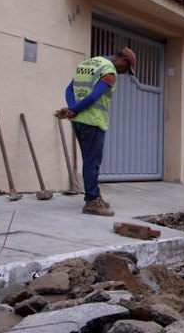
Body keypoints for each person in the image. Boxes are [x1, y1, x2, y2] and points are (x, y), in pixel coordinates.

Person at [54, 47, 136, 217]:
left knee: (88, 160)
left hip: (78, 122)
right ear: (124, 62)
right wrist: (74, 109)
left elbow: (69, 89)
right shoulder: (109, 72)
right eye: (126, 69)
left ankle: (95, 195)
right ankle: (91, 201)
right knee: (92, 162)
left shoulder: (88, 64)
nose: (123, 73)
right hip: (93, 121)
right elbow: (93, 97)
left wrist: (72, 110)